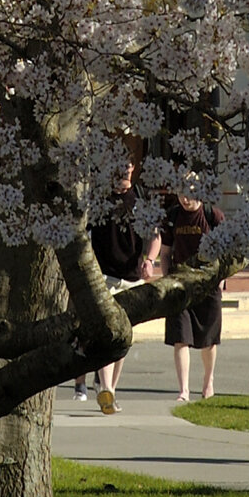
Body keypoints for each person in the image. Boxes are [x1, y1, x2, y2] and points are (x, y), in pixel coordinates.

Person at [84, 160, 159, 413]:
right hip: (104, 277)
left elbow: (155, 236)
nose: (123, 172)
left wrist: (150, 261)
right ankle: (105, 388)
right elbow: (83, 234)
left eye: (127, 167)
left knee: (124, 338)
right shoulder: (100, 199)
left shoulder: (140, 196)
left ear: (133, 168)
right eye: (118, 167)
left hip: (132, 277)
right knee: (108, 333)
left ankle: (111, 390)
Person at [160, 190, 225, 402]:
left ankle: (208, 381)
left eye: (189, 194)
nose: (185, 199)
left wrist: (221, 277)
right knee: (181, 339)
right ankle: (184, 390)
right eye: (181, 194)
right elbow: (165, 253)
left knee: (208, 341)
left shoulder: (212, 215)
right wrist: (167, 280)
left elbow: (225, 250)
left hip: (208, 284)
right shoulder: (172, 217)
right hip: (181, 285)